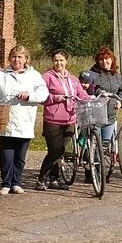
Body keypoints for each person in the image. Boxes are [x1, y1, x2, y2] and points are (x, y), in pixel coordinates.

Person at [0, 45, 48, 195]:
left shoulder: (34, 75)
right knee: (6, 154)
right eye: (13, 56)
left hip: (24, 119)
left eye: (20, 57)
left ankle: (16, 183)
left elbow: (43, 93)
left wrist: (29, 96)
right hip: (4, 119)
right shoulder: (1, 74)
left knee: (20, 156)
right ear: (9, 59)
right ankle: (6, 183)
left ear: (26, 59)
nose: (16, 60)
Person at [36, 49, 88, 191]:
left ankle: (55, 179)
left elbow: (81, 94)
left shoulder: (72, 79)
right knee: (54, 151)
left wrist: (92, 99)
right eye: (56, 60)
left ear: (66, 61)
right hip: (53, 120)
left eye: (61, 60)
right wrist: (54, 98)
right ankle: (42, 178)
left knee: (61, 151)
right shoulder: (46, 77)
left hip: (70, 120)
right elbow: (40, 96)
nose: (58, 63)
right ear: (52, 62)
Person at [79, 47, 122, 149]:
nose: (104, 62)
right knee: (95, 144)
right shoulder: (92, 74)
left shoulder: (117, 75)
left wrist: (119, 101)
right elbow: (92, 88)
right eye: (101, 60)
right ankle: (91, 160)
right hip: (95, 114)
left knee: (105, 144)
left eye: (107, 59)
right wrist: (100, 93)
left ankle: (99, 162)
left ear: (112, 59)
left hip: (111, 114)